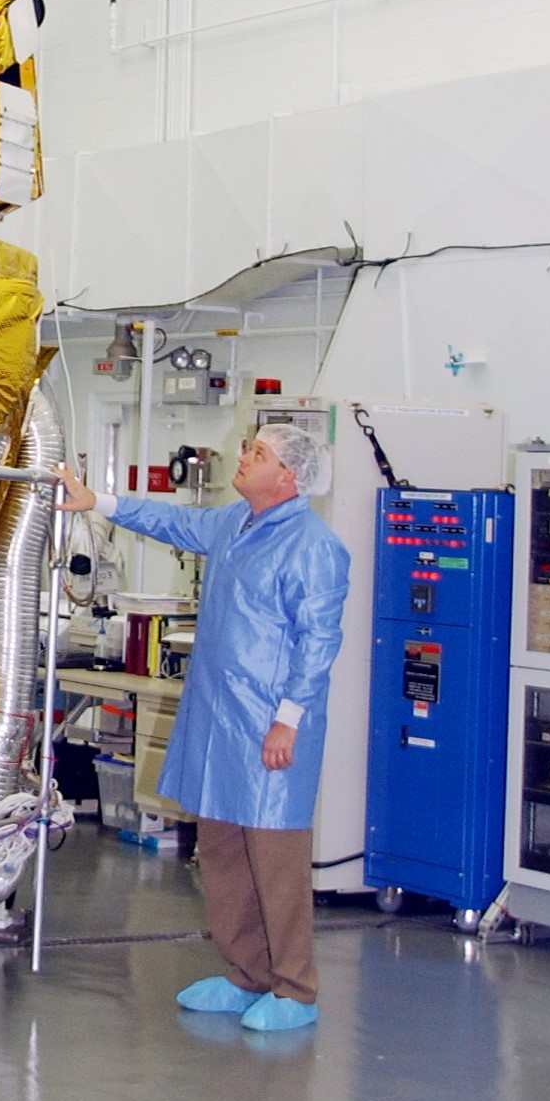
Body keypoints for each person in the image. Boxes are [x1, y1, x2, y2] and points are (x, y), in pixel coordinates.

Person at [53, 424, 350, 1034]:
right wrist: (99, 502)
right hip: (219, 714)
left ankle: (294, 987)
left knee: (274, 859)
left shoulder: (313, 545)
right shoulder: (233, 523)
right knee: (220, 852)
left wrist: (288, 721)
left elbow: (319, 643)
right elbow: (172, 524)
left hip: (271, 719)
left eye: (258, 454)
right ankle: (246, 974)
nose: (243, 458)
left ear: (289, 477)